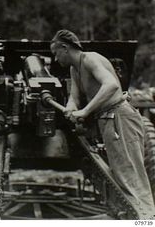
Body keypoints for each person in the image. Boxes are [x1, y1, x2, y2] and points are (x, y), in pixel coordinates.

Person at [50, 29, 155, 219]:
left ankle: (146, 219)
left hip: (119, 116)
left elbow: (111, 86)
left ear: (65, 48)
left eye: (56, 54)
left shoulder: (90, 58)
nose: (56, 59)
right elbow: (74, 97)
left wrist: (85, 111)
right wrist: (70, 108)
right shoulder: (75, 69)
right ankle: (138, 217)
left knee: (131, 175)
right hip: (108, 120)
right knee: (121, 176)